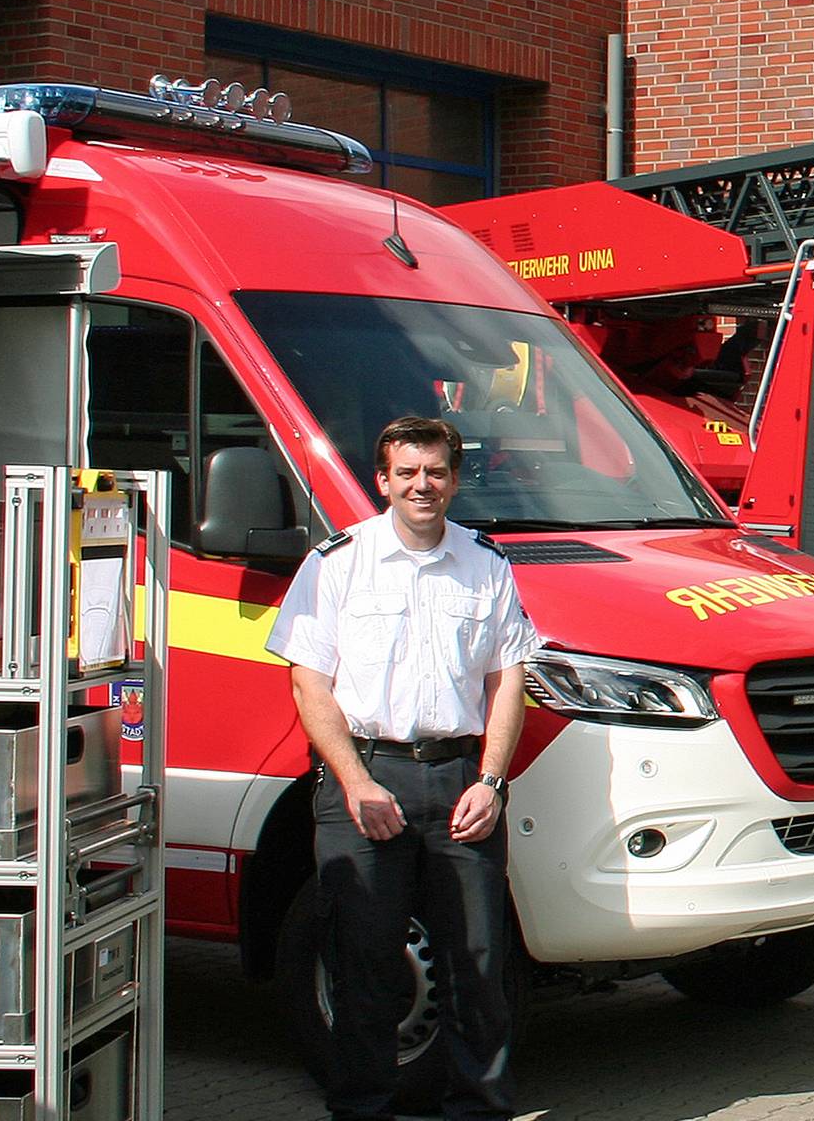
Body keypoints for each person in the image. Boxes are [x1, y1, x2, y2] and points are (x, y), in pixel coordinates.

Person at [267, 416, 542, 1120]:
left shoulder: (485, 563)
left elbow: (506, 676)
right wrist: (356, 783)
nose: (424, 485)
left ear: (454, 479)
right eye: (408, 473)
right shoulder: (337, 562)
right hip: (366, 780)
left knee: (477, 965)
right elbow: (308, 681)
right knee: (364, 964)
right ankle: (362, 1107)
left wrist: (491, 780)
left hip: (459, 784)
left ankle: (478, 1108)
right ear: (383, 481)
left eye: (437, 472)